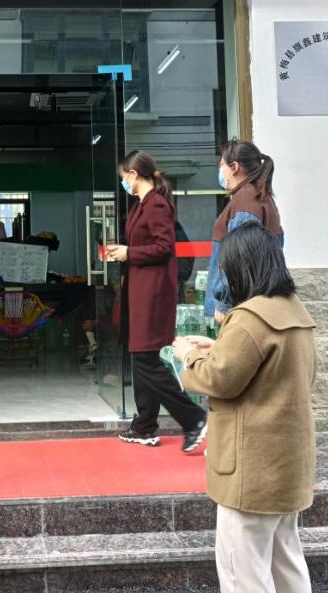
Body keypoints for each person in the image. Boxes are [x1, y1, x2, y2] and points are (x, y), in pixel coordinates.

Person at [173, 222, 316, 593]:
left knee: (243, 574)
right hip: (286, 465)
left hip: (251, 469)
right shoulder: (294, 312)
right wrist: (217, 347)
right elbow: (265, 370)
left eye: (226, 267)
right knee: (286, 564)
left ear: (242, 266)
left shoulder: (250, 317)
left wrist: (189, 356)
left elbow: (219, 379)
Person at [107, 150, 207, 452]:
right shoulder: (142, 204)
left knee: (146, 361)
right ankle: (144, 425)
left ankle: (193, 418)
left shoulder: (157, 205)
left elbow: (165, 247)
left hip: (152, 294)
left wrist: (129, 253)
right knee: (142, 359)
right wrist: (124, 251)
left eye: (124, 177)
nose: (124, 183)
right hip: (140, 291)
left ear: (134, 175)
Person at [205, 139, 283, 327]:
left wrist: (224, 302)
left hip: (238, 306)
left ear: (234, 167)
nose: (220, 170)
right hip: (255, 302)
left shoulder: (245, 200)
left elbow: (238, 258)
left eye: (221, 165)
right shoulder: (259, 196)